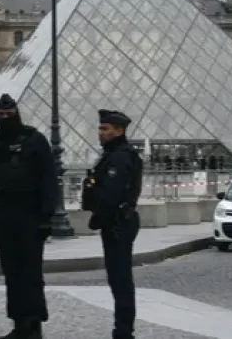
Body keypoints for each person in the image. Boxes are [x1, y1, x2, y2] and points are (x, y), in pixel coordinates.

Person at [0, 94, 56, 339]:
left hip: (30, 214)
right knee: (11, 272)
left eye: (9, 115)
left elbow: (49, 180)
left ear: (17, 114)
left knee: (31, 272)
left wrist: (47, 217)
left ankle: (34, 325)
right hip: (3, 214)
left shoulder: (35, 140)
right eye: (1, 115)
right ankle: (20, 324)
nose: (5, 119)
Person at [82, 109, 143, 339]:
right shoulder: (113, 155)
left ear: (119, 130)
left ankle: (124, 332)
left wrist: (98, 216)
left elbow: (111, 194)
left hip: (118, 223)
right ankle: (123, 329)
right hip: (115, 222)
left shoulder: (120, 157)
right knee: (117, 278)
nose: (100, 132)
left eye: (104, 128)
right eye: (100, 128)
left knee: (120, 279)